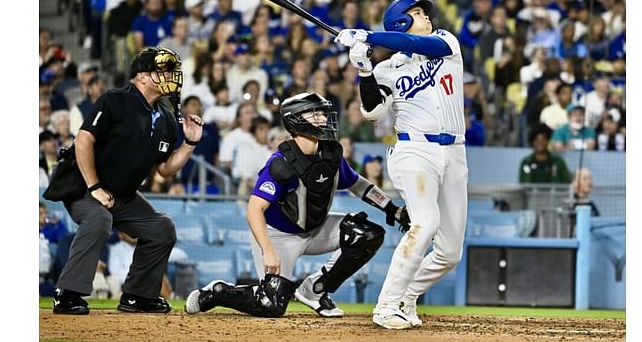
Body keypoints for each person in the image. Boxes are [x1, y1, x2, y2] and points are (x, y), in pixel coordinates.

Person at [184, 92, 410, 318]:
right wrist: (268, 251)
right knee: (270, 305)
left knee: (368, 235)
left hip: (316, 228)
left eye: (323, 113)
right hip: (278, 236)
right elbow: (254, 209)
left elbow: (358, 184)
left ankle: (315, 290)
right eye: (316, 113)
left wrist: (392, 209)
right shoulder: (281, 163)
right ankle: (218, 292)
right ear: (296, 120)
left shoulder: (331, 153)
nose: (323, 118)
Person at [333, 0, 469, 329]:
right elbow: (372, 112)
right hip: (414, 152)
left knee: (450, 253)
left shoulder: (444, 41)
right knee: (425, 223)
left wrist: (369, 36)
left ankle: (407, 299)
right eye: (418, 13)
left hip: (455, 153)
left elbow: (415, 43)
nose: (426, 16)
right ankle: (386, 306)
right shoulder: (387, 69)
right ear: (401, 21)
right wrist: (365, 70)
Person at [50, 46, 204, 315]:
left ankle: (137, 296)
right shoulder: (115, 100)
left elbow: (165, 170)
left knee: (161, 228)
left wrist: (190, 143)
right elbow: (84, 139)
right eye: (163, 70)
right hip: (83, 185)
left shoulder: (166, 114)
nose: (171, 75)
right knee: (99, 219)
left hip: (121, 193)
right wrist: (95, 187)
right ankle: (68, 294)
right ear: (142, 76)